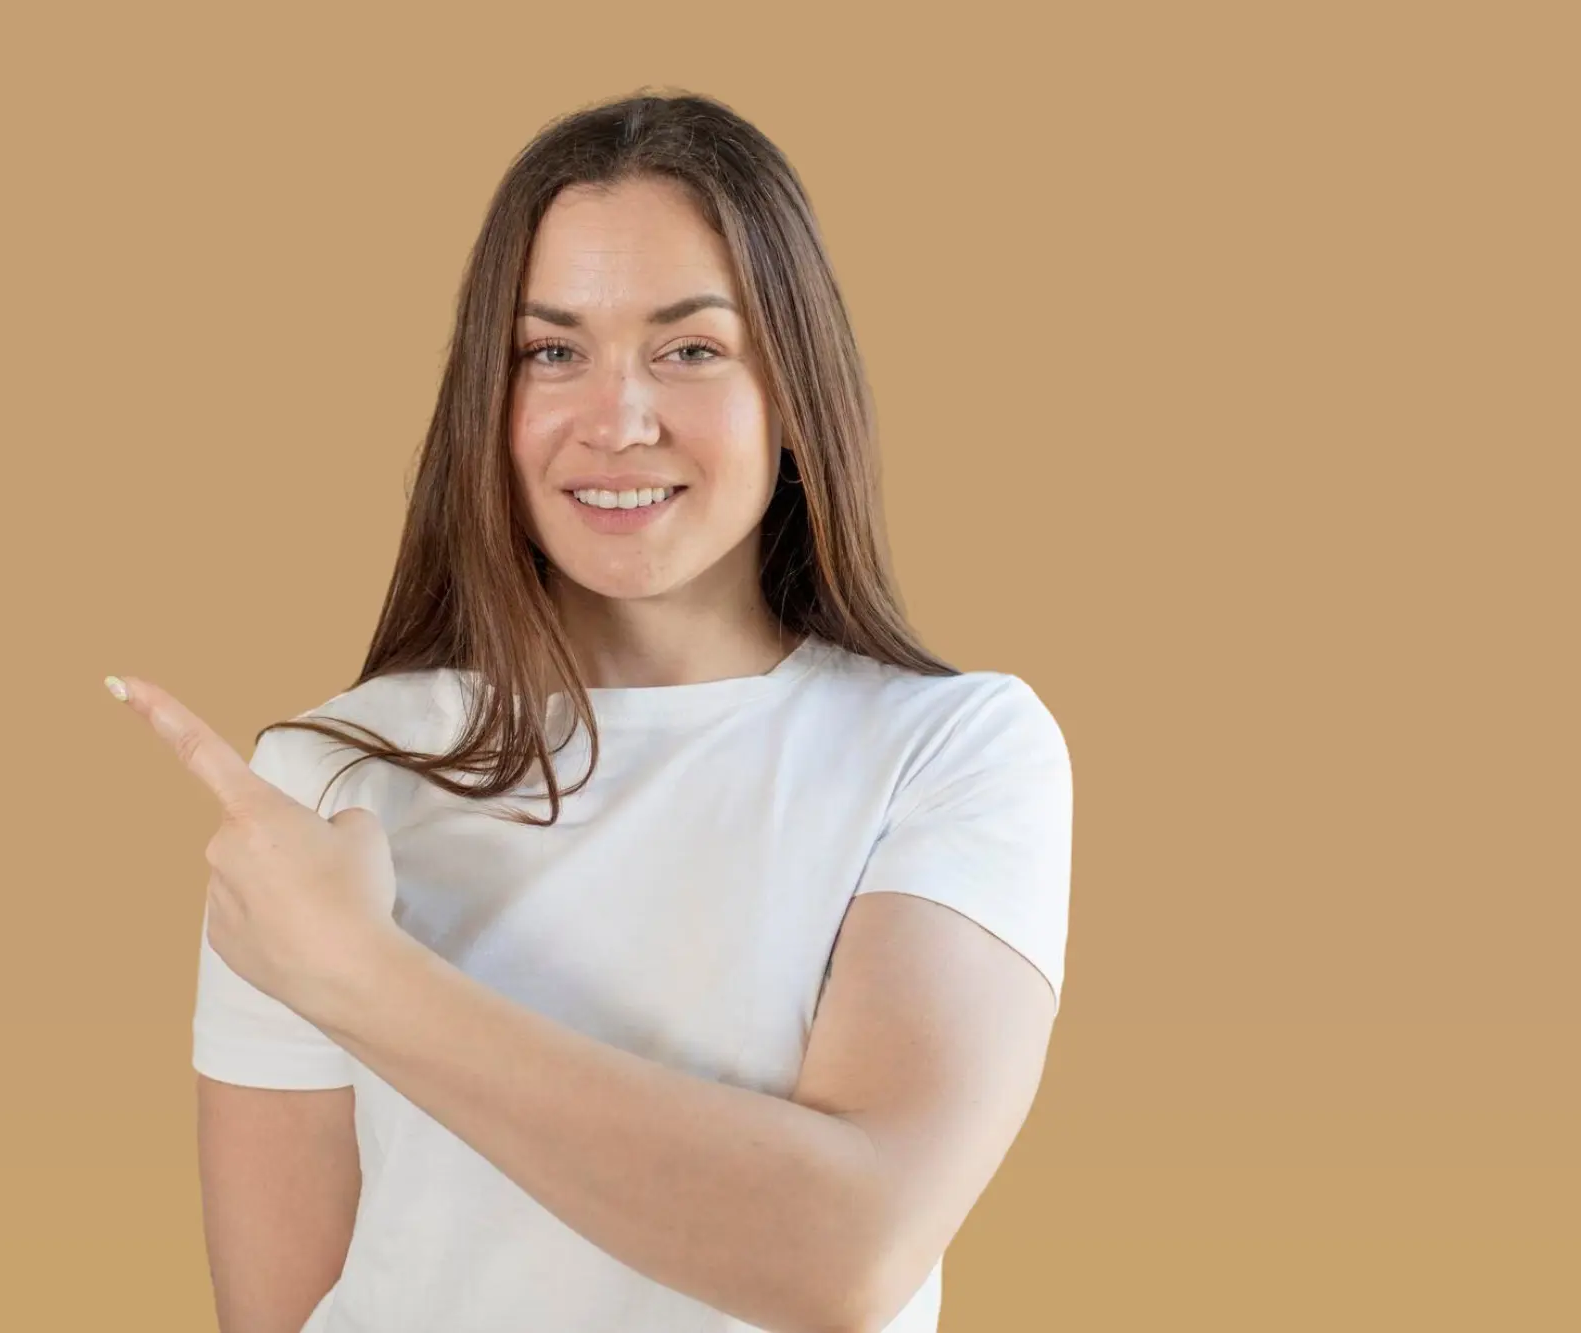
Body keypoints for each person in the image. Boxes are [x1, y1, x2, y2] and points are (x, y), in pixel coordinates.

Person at [193, 89, 1072, 1333]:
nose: (614, 420)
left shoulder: (947, 752)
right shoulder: (329, 780)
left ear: (794, 397)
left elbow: (844, 1252)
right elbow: (278, 1314)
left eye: (689, 349)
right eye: (551, 352)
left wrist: (359, 977)